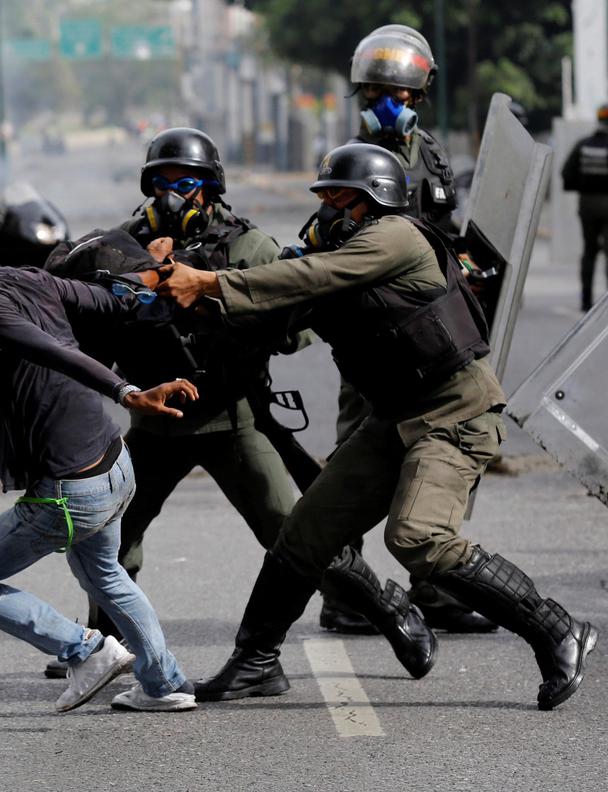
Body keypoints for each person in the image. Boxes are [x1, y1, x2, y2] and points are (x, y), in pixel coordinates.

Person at [157, 143, 597, 711]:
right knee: (304, 533)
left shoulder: (396, 238)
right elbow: (281, 306)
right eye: (323, 197)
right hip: (393, 417)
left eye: (339, 197)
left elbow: (315, 274)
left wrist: (211, 283)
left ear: (376, 199)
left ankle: (557, 631)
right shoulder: (342, 253)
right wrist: (172, 290)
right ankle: (256, 662)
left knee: (418, 539)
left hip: (455, 414)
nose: (326, 209)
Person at [41, 128, 429, 682]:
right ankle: (105, 644)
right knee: (110, 528)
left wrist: (220, 300)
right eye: (162, 182)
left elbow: (298, 332)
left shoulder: (248, 247)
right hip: (155, 420)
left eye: (186, 181)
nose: (172, 193)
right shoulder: (124, 243)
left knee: (294, 531)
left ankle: (394, 615)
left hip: (232, 416)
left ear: (211, 187)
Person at [0, 196, 199, 713]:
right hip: (113, 462)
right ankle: (164, 682)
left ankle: (84, 649)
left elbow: (52, 350)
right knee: (104, 574)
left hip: (70, 489)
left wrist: (127, 392)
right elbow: (110, 299)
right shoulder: (27, 279)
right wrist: (152, 270)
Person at [324, 23, 497, 635]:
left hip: (429, 339)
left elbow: (447, 234)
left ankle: (437, 588)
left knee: (441, 462)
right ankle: (346, 593)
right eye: (372, 96)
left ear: (419, 97)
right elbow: (329, 245)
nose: (385, 107)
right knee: (354, 464)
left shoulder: (433, 156)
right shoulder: (351, 161)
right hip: (374, 339)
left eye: (396, 96)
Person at [561, 104, 608, 312]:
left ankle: (586, 300)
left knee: (589, 251)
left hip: (587, 205)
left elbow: (566, 173)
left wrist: (581, 187)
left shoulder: (583, 145)